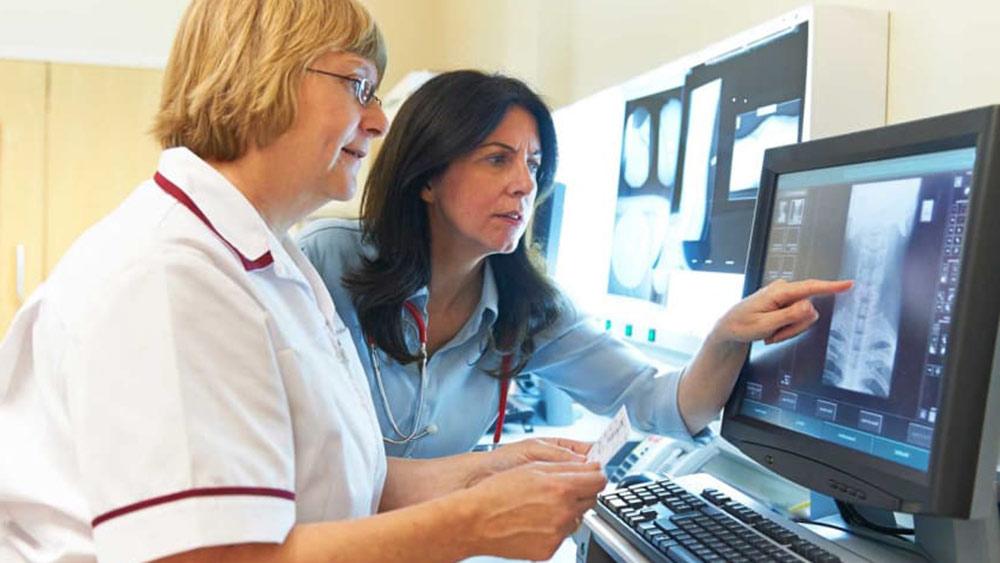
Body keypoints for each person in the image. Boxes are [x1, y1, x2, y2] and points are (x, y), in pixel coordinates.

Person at [0, 3, 607, 562]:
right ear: (265, 73)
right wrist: (474, 522)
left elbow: (343, 478)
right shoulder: (170, 275)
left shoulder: (273, 264)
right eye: (358, 86)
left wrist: (489, 474)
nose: (377, 122)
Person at [298, 70, 853, 459]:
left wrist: (726, 336)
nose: (525, 184)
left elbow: (656, 406)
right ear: (426, 177)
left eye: (534, 164)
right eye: (497, 159)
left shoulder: (527, 306)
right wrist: (478, 480)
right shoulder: (327, 261)